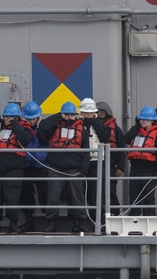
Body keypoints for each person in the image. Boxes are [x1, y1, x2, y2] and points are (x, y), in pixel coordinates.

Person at [38, 101, 90, 233]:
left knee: (77, 196)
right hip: (56, 166)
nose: (69, 117)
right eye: (66, 114)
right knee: (53, 196)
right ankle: (51, 222)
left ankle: (79, 222)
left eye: (71, 114)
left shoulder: (82, 130)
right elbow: (43, 127)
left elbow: (85, 151)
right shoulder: (55, 126)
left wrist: (82, 170)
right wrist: (59, 116)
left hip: (74, 168)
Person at [0, 102, 33, 233]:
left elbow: (25, 140)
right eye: (5, 116)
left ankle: (13, 223)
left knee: (12, 197)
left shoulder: (24, 127)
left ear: (17, 117)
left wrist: (15, 124)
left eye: (10, 117)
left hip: (14, 167)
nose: (7, 119)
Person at [123, 106, 157, 217]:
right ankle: (134, 222)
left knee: (148, 198)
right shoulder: (136, 132)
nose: (142, 121)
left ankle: (150, 222)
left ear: (152, 120)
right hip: (135, 169)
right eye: (141, 119)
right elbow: (126, 139)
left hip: (149, 170)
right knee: (134, 198)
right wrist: (136, 126)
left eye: (145, 120)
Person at [78, 97, 112, 221]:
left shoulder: (99, 125)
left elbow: (105, 137)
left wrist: (95, 121)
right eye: (86, 113)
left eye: (91, 113)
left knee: (97, 195)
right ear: (81, 113)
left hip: (97, 162)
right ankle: (81, 221)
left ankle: (97, 221)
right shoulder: (78, 126)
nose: (88, 115)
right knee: (80, 194)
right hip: (81, 163)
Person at [19, 101, 48, 232]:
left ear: (38, 117)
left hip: (42, 165)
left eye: (33, 119)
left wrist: (41, 127)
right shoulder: (22, 128)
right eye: (28, 119)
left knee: (45, 194)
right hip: (26, 164)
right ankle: (28, 220)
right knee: (26, 195)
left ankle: (49, 221)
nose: (30, 121)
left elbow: (45, 140)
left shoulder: (45, 128)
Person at [96, 101, 124, 214]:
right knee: (96, 193)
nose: (101, 114)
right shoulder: (91, 127)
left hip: (111, 166)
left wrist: (120, 167)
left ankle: (115, 214)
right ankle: (100, 217)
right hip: (95, 165)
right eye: (99, 112)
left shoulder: (116, 129)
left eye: (103, 112)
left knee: (111, 191)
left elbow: (121, 149)